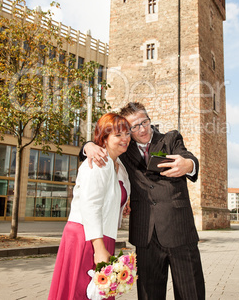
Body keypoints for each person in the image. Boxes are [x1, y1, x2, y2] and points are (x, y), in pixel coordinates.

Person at [80, 102, 205, 300]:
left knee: (192, 294)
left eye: (145, 122)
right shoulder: (125, 148)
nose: (143, 129)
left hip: (180, 231)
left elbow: (188, 157)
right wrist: (88, 146)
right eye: (134, 127)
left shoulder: (170, 138)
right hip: (145, 236)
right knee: (149, 295)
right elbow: (101, 144)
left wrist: (188, 164)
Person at [48, 113, 131, 300]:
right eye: (118, 135)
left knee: (96, 292)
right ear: (104, 137)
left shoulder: (118, 165)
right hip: (87, 237)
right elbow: (90, 204)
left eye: (127, 134)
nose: (125, 139)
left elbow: (109, 196)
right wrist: (99, 247)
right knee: (81, 293)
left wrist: (123, 205)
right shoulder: (99, 161)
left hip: (100, 235)